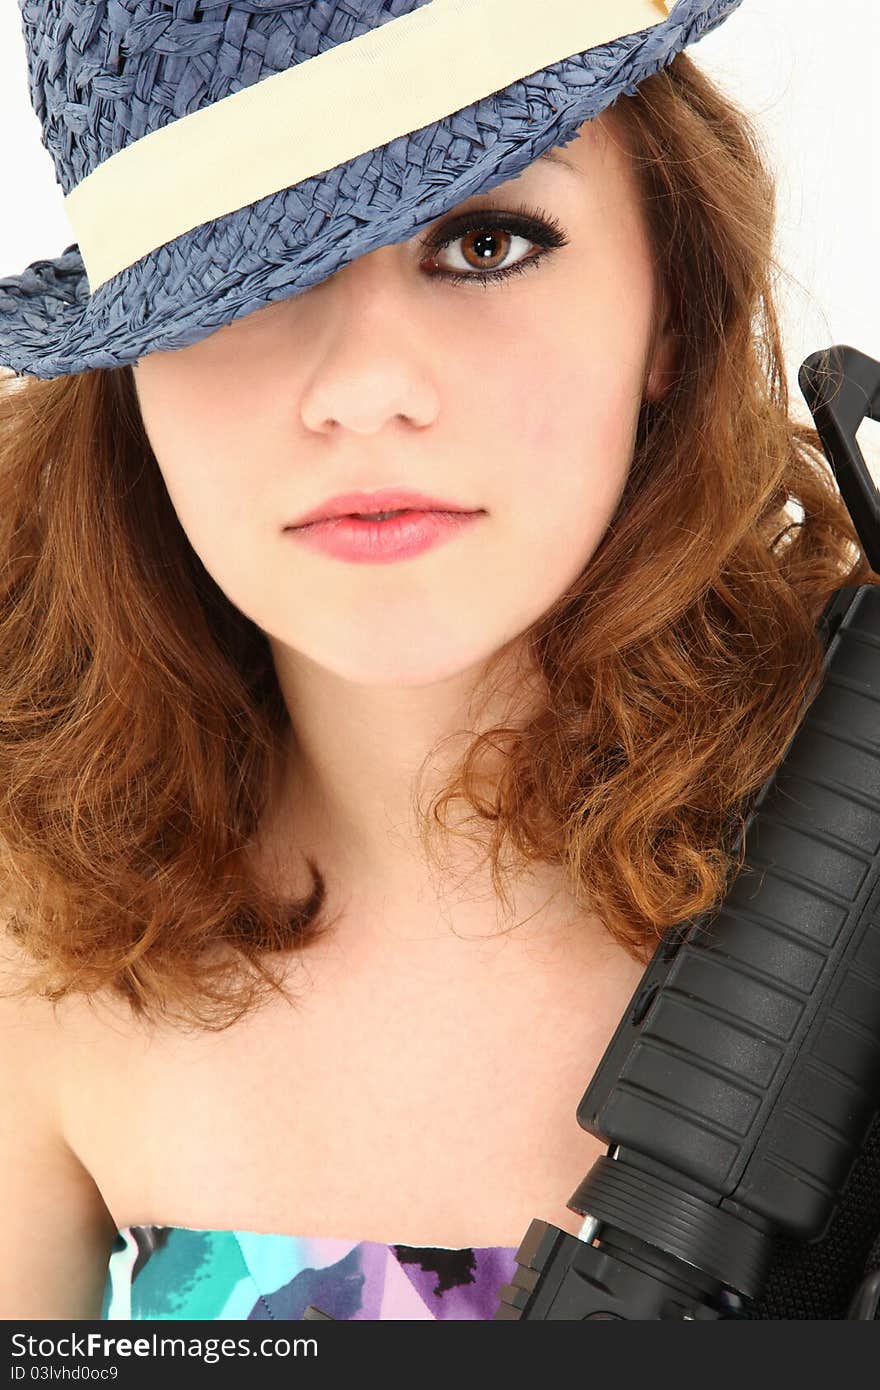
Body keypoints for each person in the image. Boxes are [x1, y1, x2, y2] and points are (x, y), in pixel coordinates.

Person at [0, 1, 875, 1321]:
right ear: (129, 362)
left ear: (673, 314)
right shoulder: (33, 931)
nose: (364, 388)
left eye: (484, 241)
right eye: (250, 267)